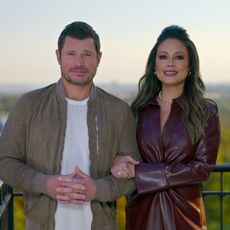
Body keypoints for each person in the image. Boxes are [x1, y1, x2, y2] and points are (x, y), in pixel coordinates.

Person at [0, 21, 141, 230]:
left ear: (98, 58)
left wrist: (98, 189)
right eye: (71, 53)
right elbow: (4, 162)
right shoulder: (29, 106)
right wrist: (45, 184)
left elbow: (133, 175)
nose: (79, 62)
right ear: (58, 56)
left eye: (87, 54)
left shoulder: (118, 111)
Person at [111, 25, 220, 230]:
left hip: (185, 217)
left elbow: (203, 169)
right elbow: (125, 154)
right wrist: (119, 159)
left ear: (190, 66)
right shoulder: (138, 110)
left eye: (178, 57)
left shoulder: (206, 111)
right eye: (163, 56)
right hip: (141, 214)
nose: (170, 63)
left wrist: (142, 172)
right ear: (154, 64)